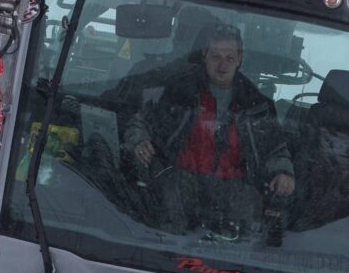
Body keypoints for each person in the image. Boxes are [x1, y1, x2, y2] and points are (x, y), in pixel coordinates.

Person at [125, 24, 295, 239]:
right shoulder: (178, 93)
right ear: (205, 55)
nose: (222, 66)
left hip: (235, 188)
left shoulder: (257, 107)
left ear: (239, 59)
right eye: (216, 57)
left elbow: (275, 149)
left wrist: (284, 173)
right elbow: (140, 123)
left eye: (229, 58)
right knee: (169, 201)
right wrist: (139, 141)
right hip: (182, 182)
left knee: (250, 212)